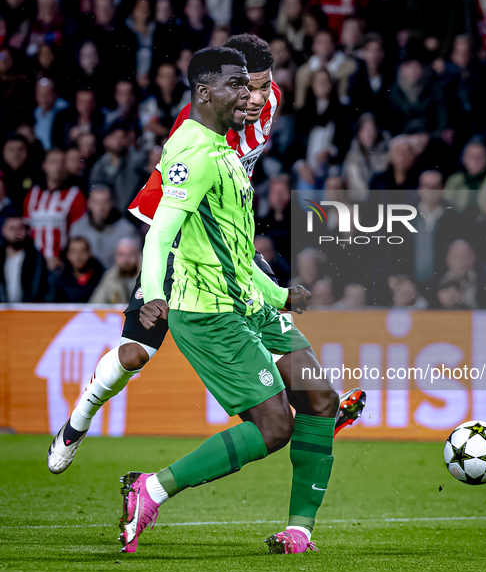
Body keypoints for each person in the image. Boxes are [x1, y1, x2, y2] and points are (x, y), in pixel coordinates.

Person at [47, 37, 364, 487]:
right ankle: (80, 418)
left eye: (262, 87)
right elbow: (164, 220)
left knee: (267, 311)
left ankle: (314, 408)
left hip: (228, 235)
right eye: (244, 88)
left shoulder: (268, 100)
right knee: (135, 354)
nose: (253, 99)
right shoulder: (194, 130)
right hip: (180, 237)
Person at [121, 46, 337, 556]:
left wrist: (280, 293)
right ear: (205, 93)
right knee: (275, 426)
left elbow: (237, 251)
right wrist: (153, 293)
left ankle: (299, 532)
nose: (250, 96)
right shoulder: (192, 153)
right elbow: (159, 234)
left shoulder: (226, 151)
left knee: (320, 398)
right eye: (238, 87)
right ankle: (150, 489)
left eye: (253, 86)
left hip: (251, 303)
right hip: (212, 312)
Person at [23, 149, 86, 271]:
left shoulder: (75, 194)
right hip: (33, 261)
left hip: (61, 262)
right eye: (53, 162)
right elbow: (26, 227)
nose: (57, 167)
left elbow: (78, 232)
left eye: (61, 163)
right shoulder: (32, 194)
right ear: (44, 165)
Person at [69, 185, 138, 269]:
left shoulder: (127, 230)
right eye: (95, 202)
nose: (100, 207)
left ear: (113, 203)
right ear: (88, 203)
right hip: (84, 278)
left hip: (116, 279)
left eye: (105, 202)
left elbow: (133, 263)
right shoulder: (77, 228)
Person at [0, 216, 49, 303]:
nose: (16, 232)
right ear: (3, 230)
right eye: (12, 228)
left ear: (27, 231)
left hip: (28, 311)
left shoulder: (36, 258)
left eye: (20, 228)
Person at [50, 236, 104, 303]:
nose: (78, 256)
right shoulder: (59, 277)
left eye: (82, 251)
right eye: (73, 252)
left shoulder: (102, 277)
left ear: (89, 253)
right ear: (67, 254)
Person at [90, 237, 141, 304]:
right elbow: (95, 305)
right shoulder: (110, 277)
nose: (126, 259)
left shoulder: (149, 277)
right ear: (115, 257)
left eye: (131, 254)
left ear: (138, 256)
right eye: (121, 255)